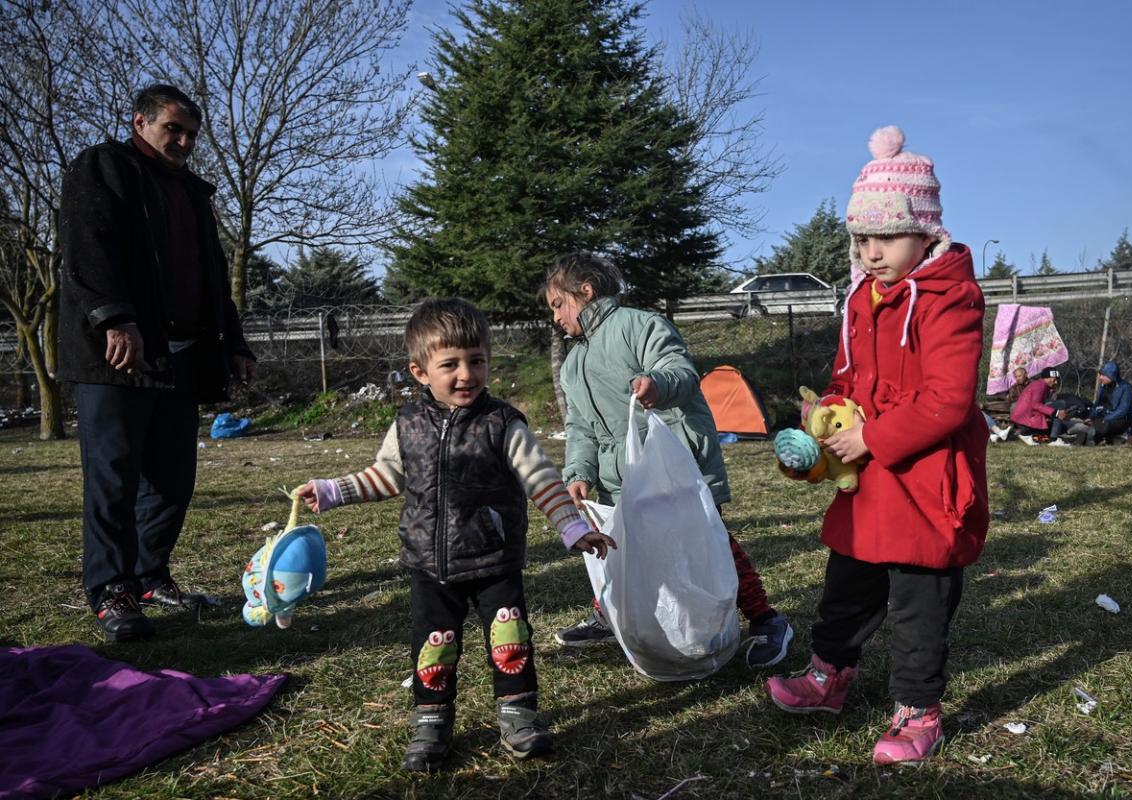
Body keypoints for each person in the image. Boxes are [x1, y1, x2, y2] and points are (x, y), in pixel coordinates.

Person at [298, 298, 615, 772]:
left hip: (494, 560)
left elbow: (541, 478)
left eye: (477, 361)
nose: (466, 374)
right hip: (430, 564)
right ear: (420, 371)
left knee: (510, 640)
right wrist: (332, 490)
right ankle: (431, 723)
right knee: (435, 645)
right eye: (450, 364)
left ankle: (519, 716)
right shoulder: (407, 425)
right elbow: (386, 475)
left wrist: (571, 526)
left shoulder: (503, 423)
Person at [764, 126, 989, 766]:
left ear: (925, 232)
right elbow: (848, 377)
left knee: (918, 602)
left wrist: (872, 437)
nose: (869, 252)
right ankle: (829, 675)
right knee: (848, 582)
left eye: (885, 237)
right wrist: (824, 418)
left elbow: (947, 398)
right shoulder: (861, 297)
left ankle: (918, 710)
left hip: (924, 479)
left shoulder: (950, 298)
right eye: (861, 239)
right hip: (867, 480)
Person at [57, 84, 256, 642]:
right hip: (117, 355)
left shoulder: (193, 191)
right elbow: (87, 245)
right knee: (114, 478)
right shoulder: (104, 168)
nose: (185, 141)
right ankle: (111, 590)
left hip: (180, 356)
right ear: (140, 121)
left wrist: (234, 342)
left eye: (192, 133)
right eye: (174, 129)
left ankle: (149, 577)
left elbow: (212, 273)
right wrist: (113, 317)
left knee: (172, 478)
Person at [542, 252, 792, 668]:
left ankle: (765, 619)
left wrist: (657, 383)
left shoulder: (640, 326)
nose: (555, 318)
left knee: (707, 542)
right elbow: (581, 426)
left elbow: (679, 369)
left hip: (673, 464)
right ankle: (607, 615)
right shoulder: (572, 364)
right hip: (621, 475)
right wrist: (579, 471)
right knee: (625, 547)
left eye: (557, 305)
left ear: (584, 293)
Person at [1010, 369, 1068, 445]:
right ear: (1047, 378)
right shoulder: (1040, 386)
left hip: (1023, 419)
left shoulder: (1038, 384)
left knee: (1057, 419)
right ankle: (1054, 439)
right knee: (1061, 404)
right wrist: (1056, 413)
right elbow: (1035, 404)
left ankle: (1027, 435)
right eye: (1054, 380)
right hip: (1027, 419)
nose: (1056, 382)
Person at [1087, 360, 1132, 444]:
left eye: (1104, 375)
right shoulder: (1103, 387)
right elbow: (1097, 404)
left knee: (1104, 426)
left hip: (1119, 420)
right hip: (1103, 417)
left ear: (1112, 375)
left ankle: (1097, 436)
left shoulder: (1126, 388)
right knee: (1088, 423)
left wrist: (1106, 419)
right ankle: (1095, 435)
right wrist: (1091, 417)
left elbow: (1123, 410)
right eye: (1101, 374)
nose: (1101, 377)